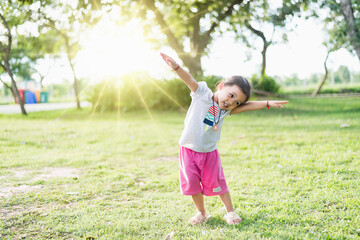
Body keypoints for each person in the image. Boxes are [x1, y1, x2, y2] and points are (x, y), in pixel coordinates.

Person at [160, 52, 288, 225]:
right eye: (231, 95)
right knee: (192, 185)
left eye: (236, 102)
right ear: (221, 86)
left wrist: (266, 103)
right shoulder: (201, 93)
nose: (231, 102)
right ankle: (202, 213)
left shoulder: (226, 110)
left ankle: (230, 212)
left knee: (219, 182)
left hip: (209, 153)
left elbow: (248, 106)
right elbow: (189, 79)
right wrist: (176, 67)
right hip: (188, 150)